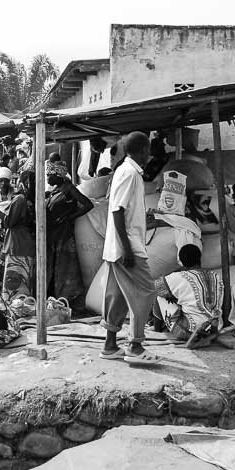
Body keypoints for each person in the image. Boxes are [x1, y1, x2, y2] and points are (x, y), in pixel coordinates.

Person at [100, 132, 160, 365]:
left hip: (119, 246)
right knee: (146, 291)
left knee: (117, 296)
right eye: (148, 150)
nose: (149, 155)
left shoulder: (126, 171)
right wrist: (127, 248)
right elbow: (117, 211)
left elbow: (123, 211)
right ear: (142, 150)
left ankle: (110, 345)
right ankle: (135, 346)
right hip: (128, 247)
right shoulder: (129, 173)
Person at [153, 245, 225, 342]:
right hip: (215, 328)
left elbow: (155, 288)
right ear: (200, 258)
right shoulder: (215, 275)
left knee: (161, 295)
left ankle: (156, 329)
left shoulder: (179, 276)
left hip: (190, 332)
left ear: (181, 261)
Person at [46, 159, 94, 305]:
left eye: (50, 174)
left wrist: (69, 218)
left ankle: (67, 296)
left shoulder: (69, 189)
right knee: (53, 264)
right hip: (53, 232)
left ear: (58, 175)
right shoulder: (55, 189)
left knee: (64, 265)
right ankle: (52, 294)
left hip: (63, 233)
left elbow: (88, 204)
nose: (47, 177)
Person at [0, 170, 36, 296]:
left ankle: (14, 308)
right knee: (24, 281)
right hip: (27, 244)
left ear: (22, 182)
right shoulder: (32, 199)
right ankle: (24, 306)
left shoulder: (19, 199)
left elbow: (8, 222)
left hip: (16, 244)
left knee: (13, 282)